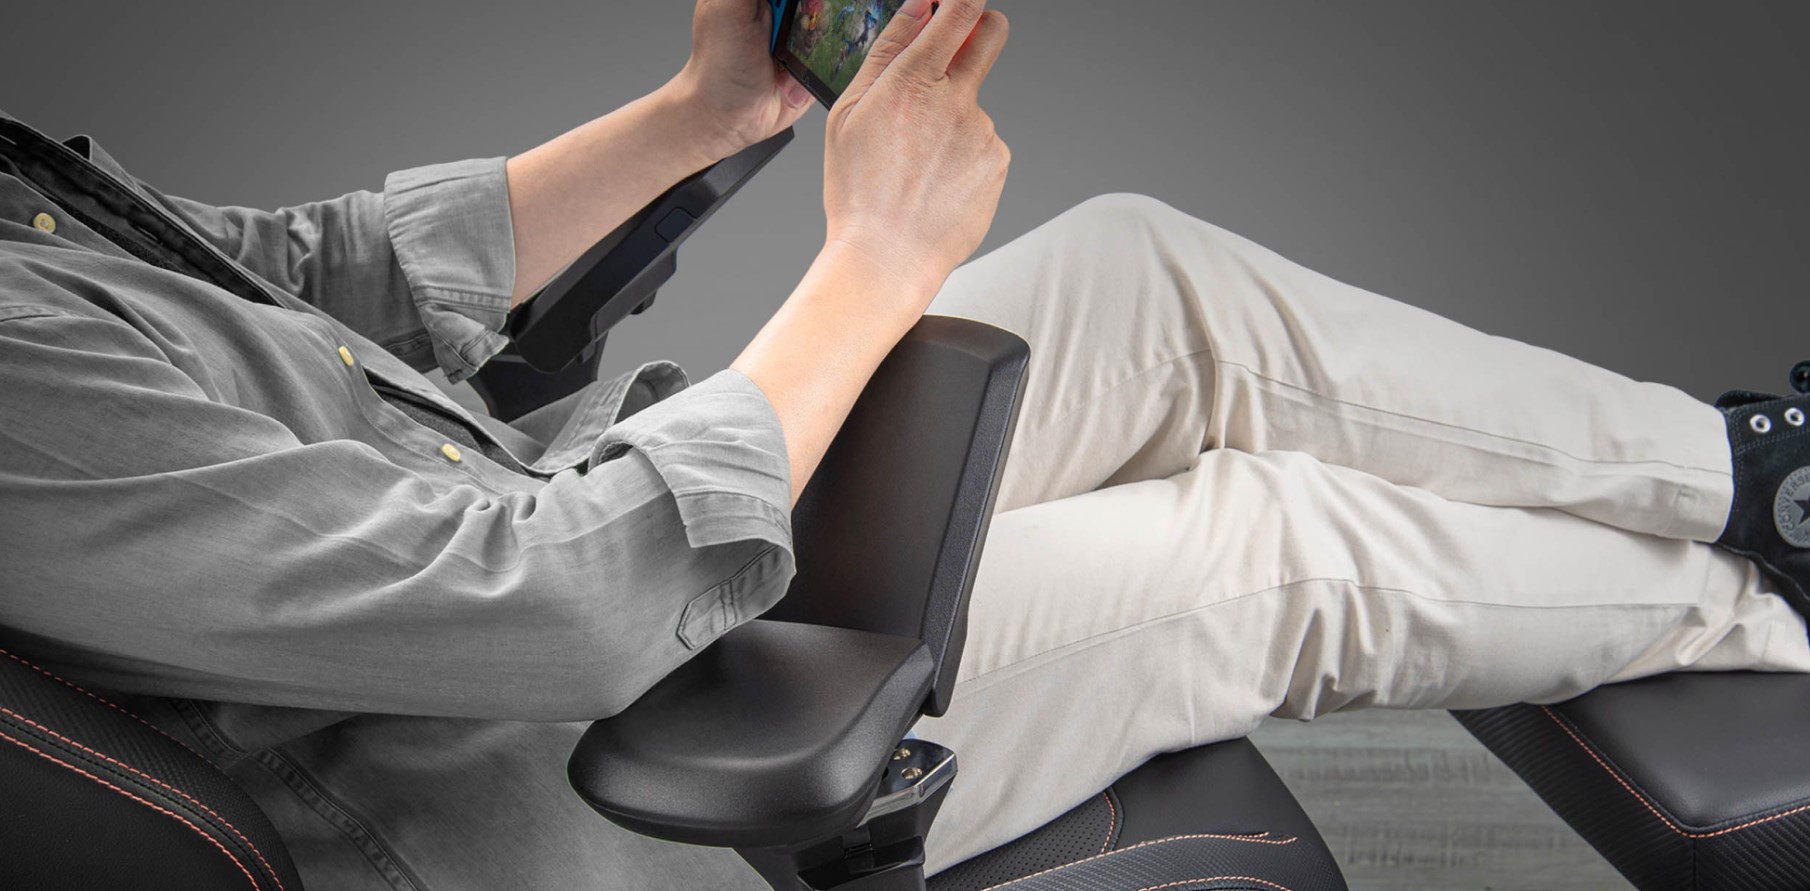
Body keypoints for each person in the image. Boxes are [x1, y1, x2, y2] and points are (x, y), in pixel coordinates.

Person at [2, 0, 1807, 887]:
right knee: (1276, 535)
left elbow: (309, 273)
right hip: (583, 764)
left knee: (1137, 270)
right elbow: (553, 615)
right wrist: (874, 259)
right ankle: (1763, 621)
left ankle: (1753, 482)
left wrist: (708, 111)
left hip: (550, 569)